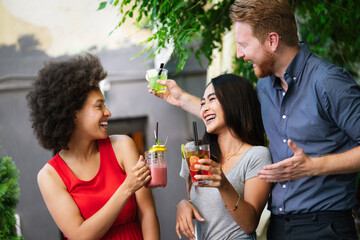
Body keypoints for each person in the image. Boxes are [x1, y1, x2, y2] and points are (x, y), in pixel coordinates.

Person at [150, 0, 360, 239]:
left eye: (244, 45)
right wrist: (181, 99)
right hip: (279, 228)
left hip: (325, 226)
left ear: (272, 41)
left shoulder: (328, 82)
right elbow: (233, 118)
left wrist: (313, 166)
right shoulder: (265, 87)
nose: (240, 54)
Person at [27, 54, 160, 240]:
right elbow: (80, 235)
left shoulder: (123, 146)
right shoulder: (49, 176)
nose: (108, 112)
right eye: (99, 106)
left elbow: (147, 212)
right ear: (74, 115)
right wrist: (126, 188)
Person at [175, 74, 272, 239]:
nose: (204, 108)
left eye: (212, 100)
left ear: (235, 102)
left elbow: (249, 225)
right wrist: (183, 205)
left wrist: (224, 185)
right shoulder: (194, 152)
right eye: (202, 103)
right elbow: (195, 202)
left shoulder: (256, 156)